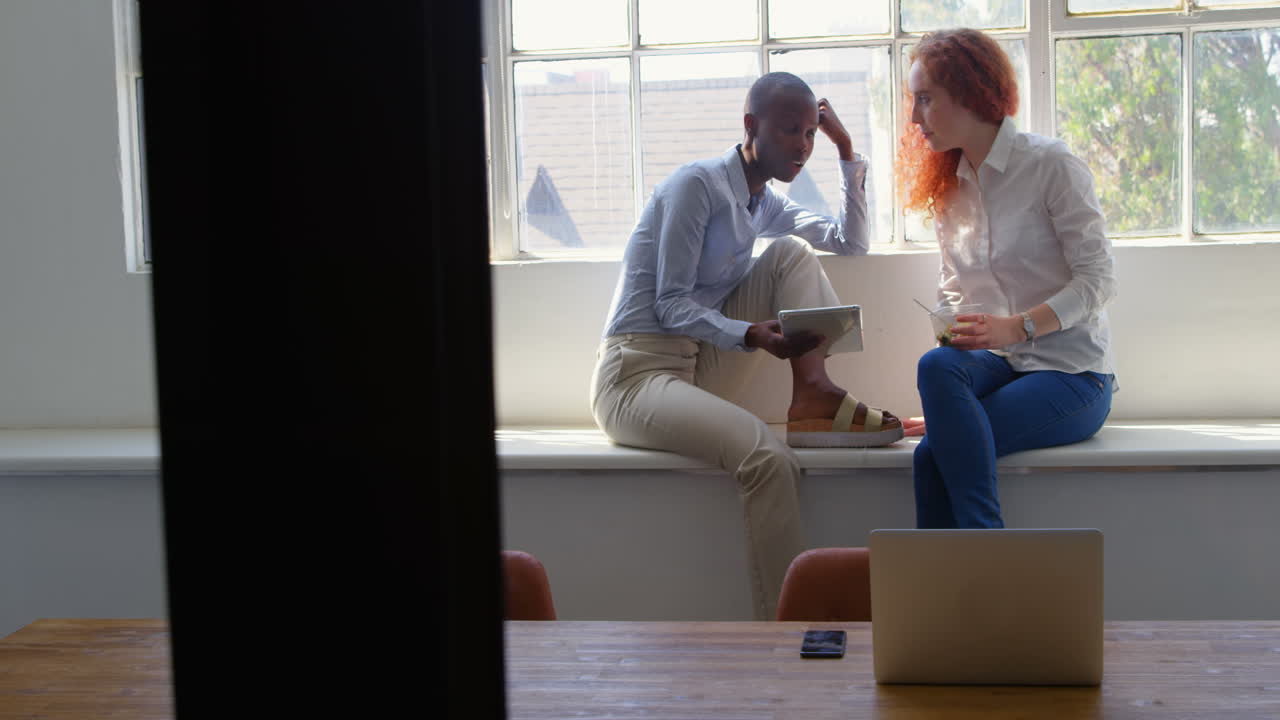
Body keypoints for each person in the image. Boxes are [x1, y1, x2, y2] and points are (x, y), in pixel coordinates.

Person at [590, 72, 903, 620]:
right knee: (767, 459)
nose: (802, 145)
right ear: (750, 127)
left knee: (790, 253)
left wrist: (846, 152)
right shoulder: (699, 186)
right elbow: (669, 304)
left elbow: (850, 242)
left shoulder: (763, 204)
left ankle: (814, 395)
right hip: (635, 377)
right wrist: (750, 334)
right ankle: (789, 632)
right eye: (790, 132)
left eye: (810, 133)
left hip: (694, 367)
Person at [897, 29, 1118, 529]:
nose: (914, 118)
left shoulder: (1051, 165)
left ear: (970, 92)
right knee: (937, 366)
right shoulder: (949, 188)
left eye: (926, 100)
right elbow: (953, 285)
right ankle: (965, 584)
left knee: (933, 456)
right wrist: (952, 329)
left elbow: (1099, 279)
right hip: (997, 368)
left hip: (1072, 374)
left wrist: (1019, 327)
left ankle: (978, 564)